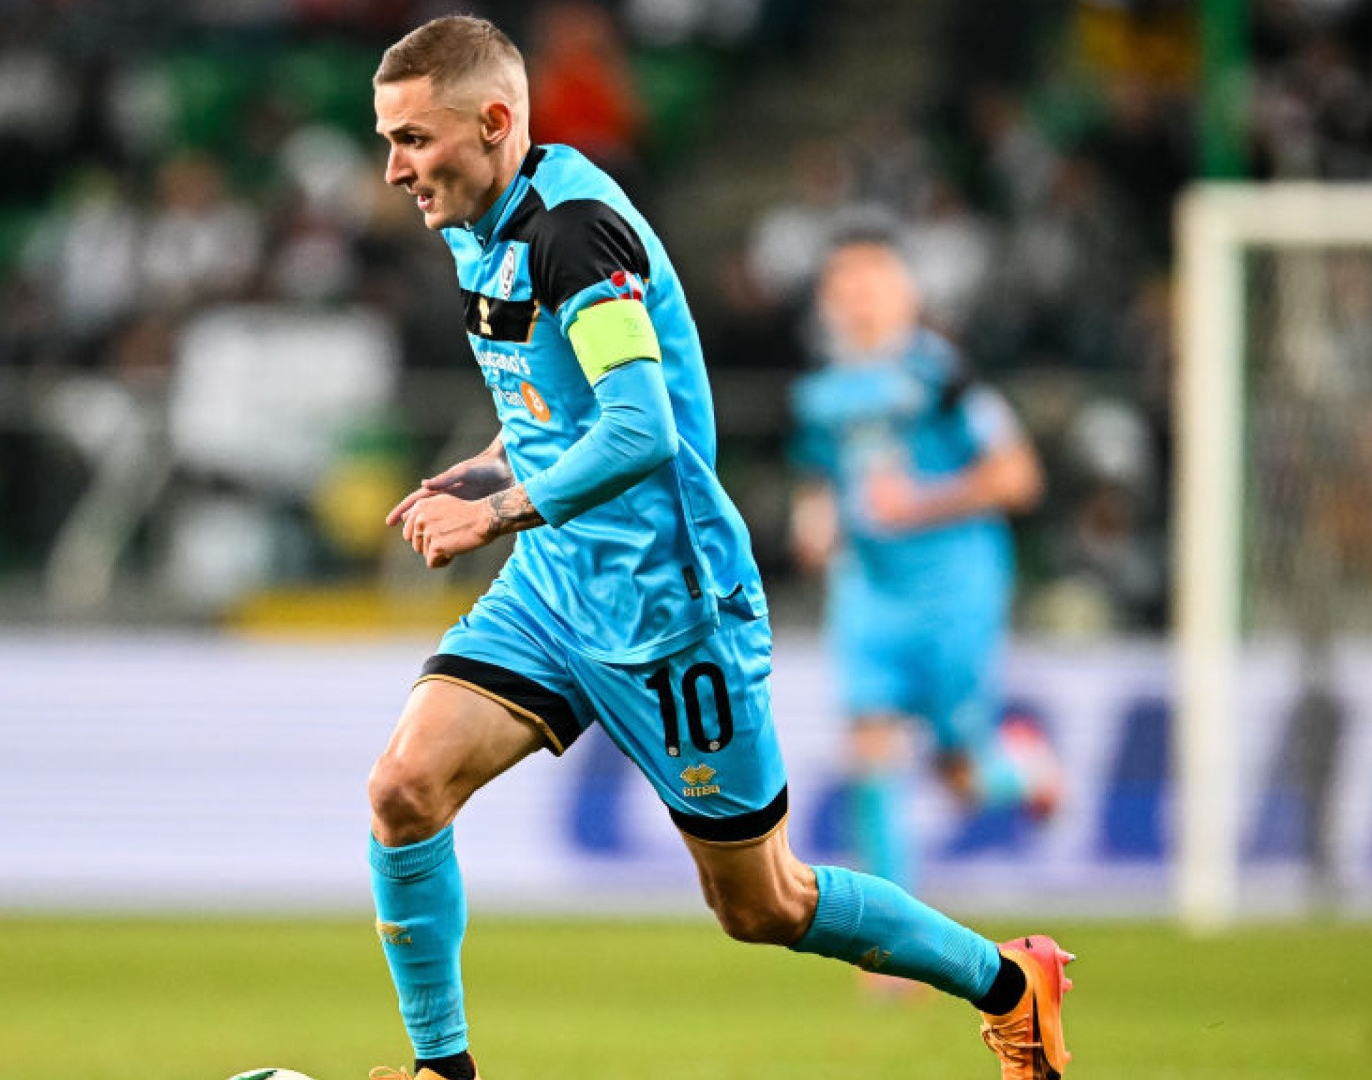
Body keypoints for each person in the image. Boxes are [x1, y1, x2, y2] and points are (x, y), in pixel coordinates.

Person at [363, 17, 1074, 1080]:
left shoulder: (573, 235)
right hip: (557, 588)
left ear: (496, 122)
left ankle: (1013, 986)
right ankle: (441, 1072)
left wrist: (499, 512)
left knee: (762, 903)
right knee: (404, 788)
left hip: (671, 608)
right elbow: (563, 394)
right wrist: (493, 461)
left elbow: (641, 428)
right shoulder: (479, 220)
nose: (394, 169)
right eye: (389, 140)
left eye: (413, 139)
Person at [786, 221, 1061, 911]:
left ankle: (1026, 770)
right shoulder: (819, 394)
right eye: (844, 281)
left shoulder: (942, 375)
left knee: (961, 775)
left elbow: (1019, 477)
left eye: (872, 277)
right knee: (868, 748)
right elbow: (820, 481)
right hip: (869, 589)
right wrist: (814, 524)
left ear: (906, 291)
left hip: (955, 589)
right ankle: (892, 933)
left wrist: (920, 503)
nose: (858, 294)